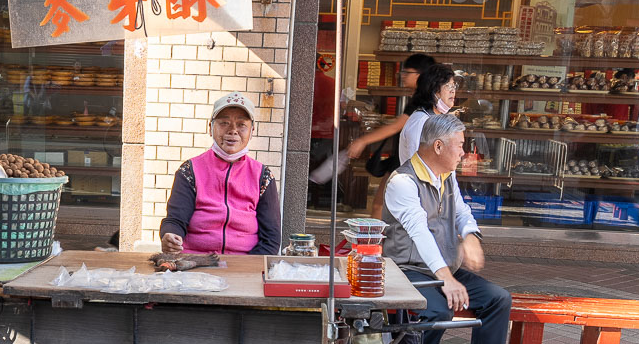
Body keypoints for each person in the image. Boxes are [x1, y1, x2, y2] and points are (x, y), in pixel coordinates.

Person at [382, 112, 514, 344]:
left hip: (443, 271)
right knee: (435, 311)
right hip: (408, 270)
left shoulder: (447, 176)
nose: (464, 152)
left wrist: (470, 236)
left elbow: (462, 212)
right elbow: (419, 232)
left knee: (498, 299)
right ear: (438, 146)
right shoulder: (402, 181)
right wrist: (448, 279)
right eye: (460, 145)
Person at [307, 54, 437, 211]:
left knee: (379, 206)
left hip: (409, 161)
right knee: (384, 206)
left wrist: (362, 141)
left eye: (407, 72)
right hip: (409, 159)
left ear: (420, 75)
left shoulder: (421, 100)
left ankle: (377, 235)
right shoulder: (425, 98)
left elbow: (396, 126)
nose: (402, 76)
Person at [160, 92, 281, 255]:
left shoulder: (263, 176)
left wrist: (245, 268)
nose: (233, 130)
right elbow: (175, 219)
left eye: (241, 125)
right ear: (210, 128)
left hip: (244, 264)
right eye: (224, 123)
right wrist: (170, 235)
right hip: (195, 263)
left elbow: (271, 240)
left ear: (252, 130)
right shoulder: (190, 170)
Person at [396, 63, 459, 167]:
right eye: (448, 86)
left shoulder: (436, 119)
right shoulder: (420, 122)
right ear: (433, 89)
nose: (453, 91)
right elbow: (416, 164)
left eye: (454, 86)